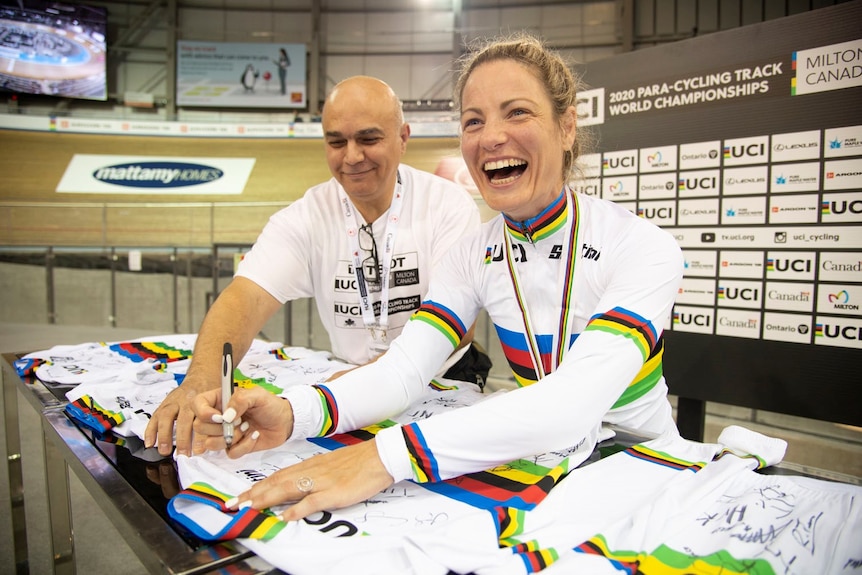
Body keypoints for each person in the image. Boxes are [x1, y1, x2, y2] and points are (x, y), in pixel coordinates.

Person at [190, 33, 684, 522]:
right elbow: (402, 371)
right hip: (543, 469)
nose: (491, 137)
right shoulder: (473, 252)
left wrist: (384, 457)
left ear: (567, 127)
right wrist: (294, 413)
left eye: (517, 112)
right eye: (474, 121)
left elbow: (572, 405)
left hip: (642, 468)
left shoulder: (644, 247)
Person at [144, 75, 487, 457]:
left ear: (403, 138)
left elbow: (458, 325)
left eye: (369, 139)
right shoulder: (307, 216)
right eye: (336, 142)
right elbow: (245, 299)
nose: (352, 156)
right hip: (350, 383)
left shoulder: (448, 205)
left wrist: (353, 385)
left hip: (439, 382)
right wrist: (200, 379)